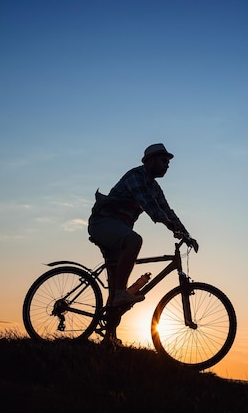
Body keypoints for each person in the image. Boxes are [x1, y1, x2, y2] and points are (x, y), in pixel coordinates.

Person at [88, 143, 198, 346]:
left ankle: (109, 337)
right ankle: (121, 293)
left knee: (115, 290)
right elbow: (152, 209)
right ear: (150, 161)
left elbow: (167, 210)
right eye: (164, 160)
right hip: (103, 223)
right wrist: (172, 227)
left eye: (168, 162)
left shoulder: (155, 188)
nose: (167, 165)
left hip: (118, 229)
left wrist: (186, 234)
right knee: (134, 241)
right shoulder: (136, 176)